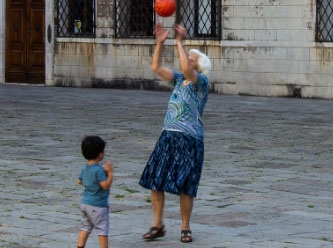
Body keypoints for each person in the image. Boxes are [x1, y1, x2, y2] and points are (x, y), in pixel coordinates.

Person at [139, 23, 212, 243]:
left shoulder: (202, 83)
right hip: (168, 135)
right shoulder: (179, 80)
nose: (187, 62)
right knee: (155, 180)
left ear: (199, 67)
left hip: (189, 139)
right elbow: (155, 67)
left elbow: (189, 70)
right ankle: (157, 224)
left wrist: (179, 42)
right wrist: (160, 43)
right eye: (187, 58)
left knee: (187, 185)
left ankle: (185, 226)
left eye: (192, 60)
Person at [76, 136, 114, 248]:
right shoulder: (98, 170)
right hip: (98, 206)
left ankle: (80, 246)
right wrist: (110, 174)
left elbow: (79, 181)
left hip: (85, 204)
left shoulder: (86, 168)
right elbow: (105, 186)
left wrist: (90, 184)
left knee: (85, 227)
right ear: (100, 154)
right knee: (102, 229)